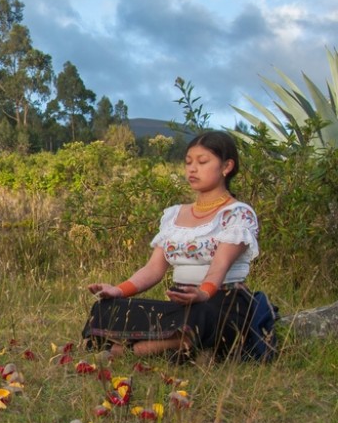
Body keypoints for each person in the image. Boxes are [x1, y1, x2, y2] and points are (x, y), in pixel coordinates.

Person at [82, 131, 259, 359]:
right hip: (181, 302)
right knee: (107, 308)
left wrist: (203, 294)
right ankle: (172, 346)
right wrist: (117, 290)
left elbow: (219, 266)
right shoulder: (174, 214)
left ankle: (125, 351)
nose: (192, 169)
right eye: (188, 163)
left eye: (202, 162)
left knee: (198, 317)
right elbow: (154, 268)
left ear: (226, 166)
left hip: (221, 301)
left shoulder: (237, 214)